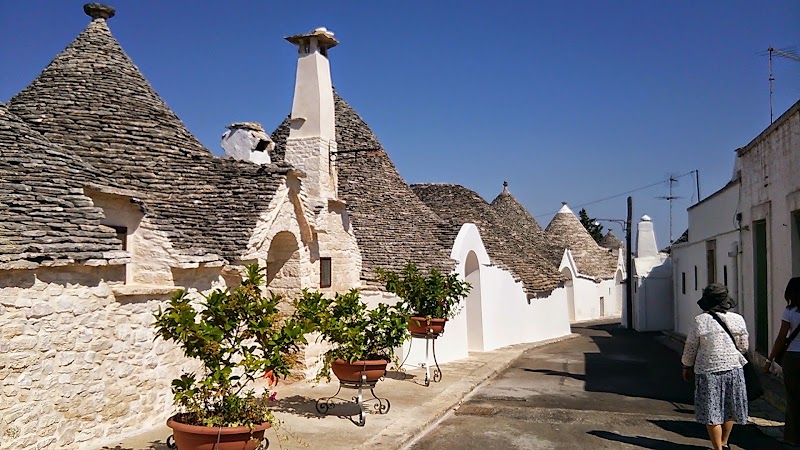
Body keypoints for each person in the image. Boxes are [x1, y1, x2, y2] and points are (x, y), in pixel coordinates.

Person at [682, 283, 749, 450]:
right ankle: (725, 443)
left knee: (712, 411)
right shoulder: (738, 319)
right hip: (734, 368)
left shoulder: (700, 321)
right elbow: (744, 346)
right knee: (729, 408)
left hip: (708, 371)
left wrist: (686, 366)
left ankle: (718, 447)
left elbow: (691, 347)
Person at [764, 277, 800, 445]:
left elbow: (781, 337)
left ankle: (793, 437)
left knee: (793, 397)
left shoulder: (790, 312)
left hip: (793, 358)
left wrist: (769, 359)